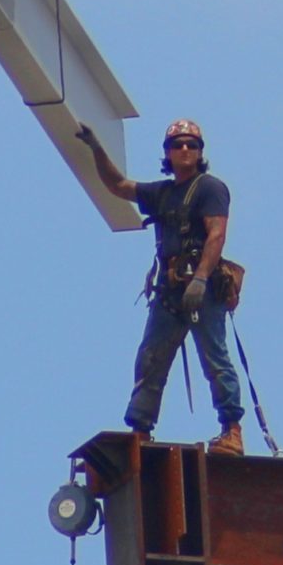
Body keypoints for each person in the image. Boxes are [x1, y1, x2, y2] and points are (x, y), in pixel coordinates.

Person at [76, 117, 244, 456]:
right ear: (167, 152)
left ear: (200, 153)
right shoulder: (163, 193)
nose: (184, 149)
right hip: (169, 292)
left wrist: (199, 278)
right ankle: (140, 431)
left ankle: (232, 431)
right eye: (177, 144)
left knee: (214, 358)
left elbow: (217, 234)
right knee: (150, 360)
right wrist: (96, 149)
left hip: (202, 290)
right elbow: (120, 186)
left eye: (191, 145)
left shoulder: (210, 188)